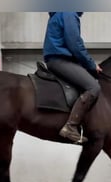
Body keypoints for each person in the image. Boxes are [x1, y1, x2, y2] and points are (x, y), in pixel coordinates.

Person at [43, 12, 103, 144]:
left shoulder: (62, 11)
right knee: (93, 87)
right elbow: (75, 44)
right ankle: (70, 126)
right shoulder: (69, 13)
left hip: (59, 59)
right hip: (61, 60)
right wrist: (91, 64)